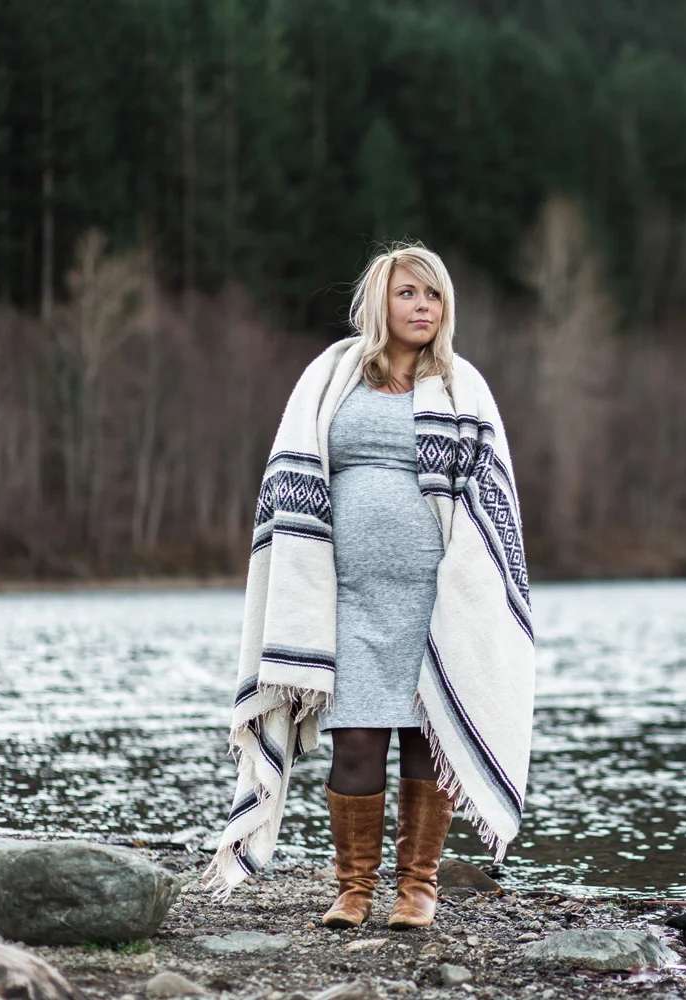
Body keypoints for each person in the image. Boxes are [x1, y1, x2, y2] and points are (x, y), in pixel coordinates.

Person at [204, 243, 536, 932]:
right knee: (356, 741)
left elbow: (490, 501)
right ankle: (354, 890)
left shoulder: (462, 387)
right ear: (379, 302)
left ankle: (417, 889)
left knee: (426, 742)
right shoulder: (331, 378)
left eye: (434, 295)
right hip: (346, 601)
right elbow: (291, 475)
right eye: (408, 293)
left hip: (438, 606)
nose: (423, 306)